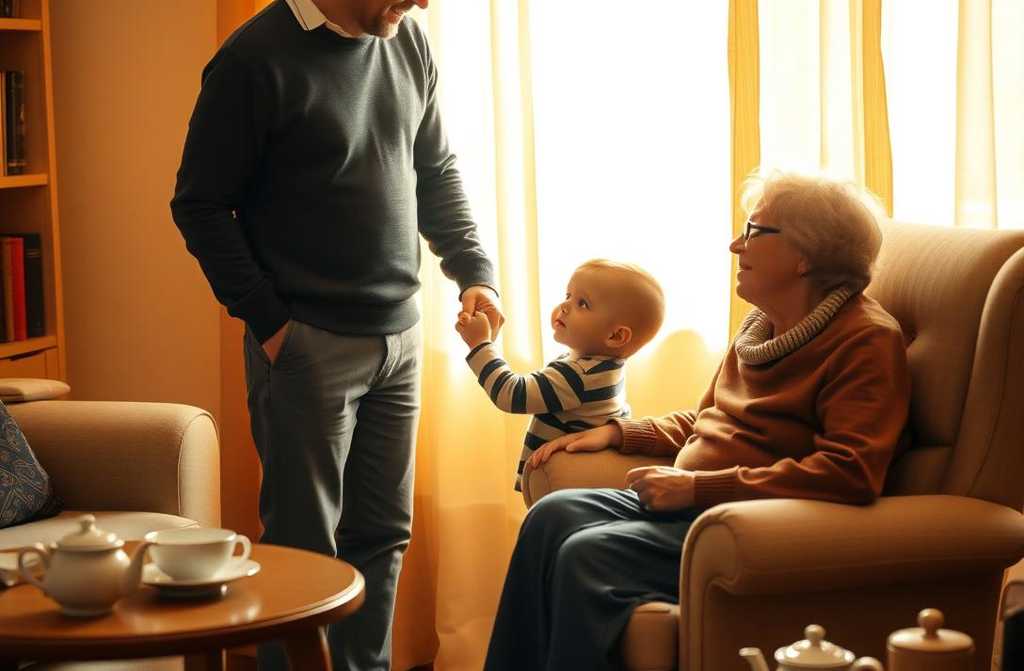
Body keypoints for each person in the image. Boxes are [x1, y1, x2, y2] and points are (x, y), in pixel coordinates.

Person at [169, 1, 504, 669]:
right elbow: (199, 205)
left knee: (381, 538)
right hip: (306, 345)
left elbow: (435, 169)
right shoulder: (252, 59)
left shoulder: (407, 41)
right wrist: (270, 322)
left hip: (400, 338)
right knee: (302, 555)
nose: (423, 2)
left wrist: (475, 270)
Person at [483, 171, 911, 671]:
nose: (736, 245)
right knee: (550, 516)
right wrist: (620, 432)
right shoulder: (763, 326)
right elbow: (709, 418)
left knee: (588, 552)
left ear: (804, 256)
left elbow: (850, 472)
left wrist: (697, 488)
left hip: (754, 522)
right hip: (696, 505)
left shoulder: (866, 342)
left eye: (754, 231)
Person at [455, 259, 664, 490]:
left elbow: (511, 394)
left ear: (615, 336)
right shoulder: (604, 368)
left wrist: (480, 345)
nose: (564, 306)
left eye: (583, 303)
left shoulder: (578, 376)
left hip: (565, 486)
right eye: (568, 296)